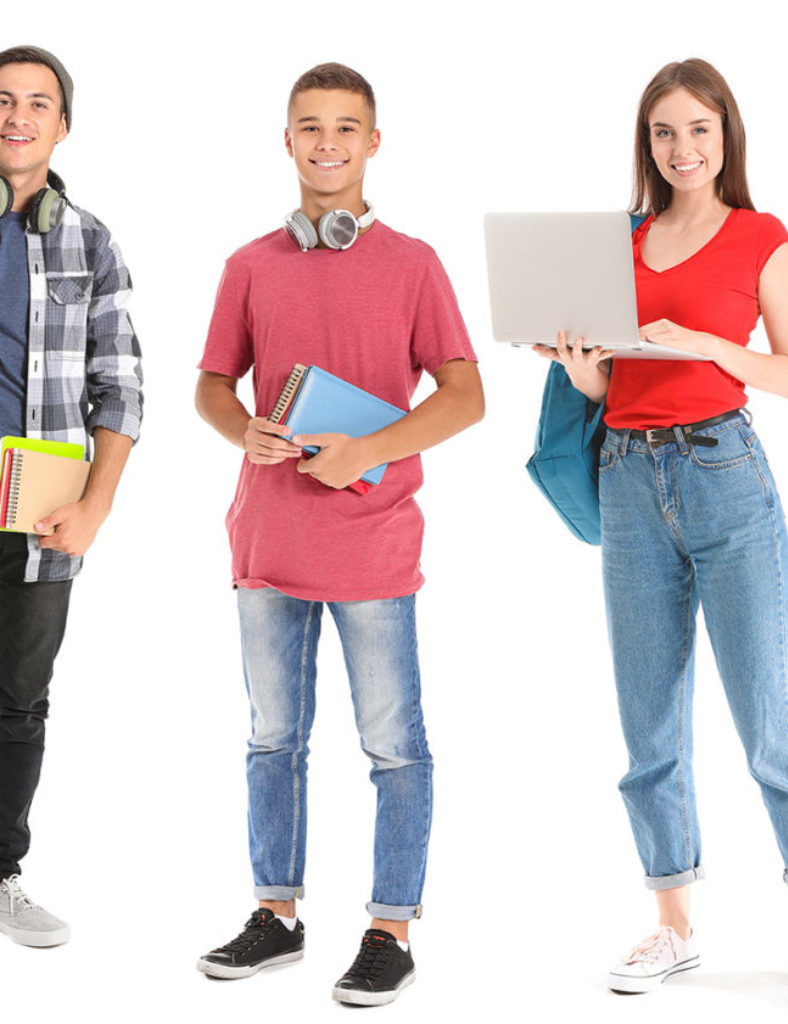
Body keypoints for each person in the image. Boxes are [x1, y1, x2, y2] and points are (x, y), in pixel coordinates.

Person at [535, 58, 788, 1008]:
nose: (683, 149)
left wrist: (711, 344)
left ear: (727, 136)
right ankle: (674, 922)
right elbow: (612, 390)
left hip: (725, 476)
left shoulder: (762, 236)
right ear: (648, 144)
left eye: (699, 130)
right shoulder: (621, 242)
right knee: (649, 722)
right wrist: (582, 370)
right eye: (665, 133)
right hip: (630, 478)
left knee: (771, 714)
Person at [194, 62, 483, 1006]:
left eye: (345, 128)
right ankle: (275, 917)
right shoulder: (248, 265)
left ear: (373, 143)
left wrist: (370, 445)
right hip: (267, 541)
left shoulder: (414, 263)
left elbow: (466, 396)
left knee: (393, 744)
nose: (327, 143)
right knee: (271, 738)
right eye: (309, 127)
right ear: (286, 141)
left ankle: (390, 929)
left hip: (373, 543)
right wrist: (247, 431)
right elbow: (211, 385)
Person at [0, 45, 142, 949]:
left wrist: (96, 506)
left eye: (36, 104)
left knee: (18, 697)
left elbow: (120, 385)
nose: (16, 115)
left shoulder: (87, 239)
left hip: (39, 515)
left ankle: (2, 872)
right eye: (2, 100)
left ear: (62, 126)